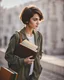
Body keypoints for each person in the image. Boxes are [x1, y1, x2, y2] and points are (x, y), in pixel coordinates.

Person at [5, 5, 44, 80]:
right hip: (20, 76)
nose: (38, 22)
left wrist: (37, 69)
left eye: (39, 20)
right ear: (27, 20)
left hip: (34, 76)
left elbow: (39, 54)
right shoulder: (16, 36)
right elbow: (8, 56)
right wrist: (23, 61)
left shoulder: (39, 36)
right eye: (35, 19)